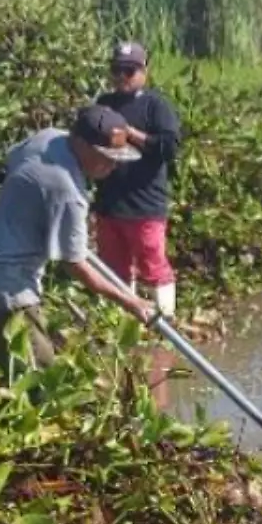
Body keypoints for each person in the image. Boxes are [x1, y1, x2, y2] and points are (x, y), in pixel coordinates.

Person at [0, 105, 156, 381]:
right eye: (106, 157)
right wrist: (132, 302)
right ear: (81, 143)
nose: (112, 165)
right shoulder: (66, 191)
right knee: (39, 377)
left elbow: (13, 159)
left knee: (16, 365)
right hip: (8, 282)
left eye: (117, 158)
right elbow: (75, 265)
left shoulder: (49, 138)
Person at [93, 41, 184, 318]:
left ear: (144, 71)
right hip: (109, 202)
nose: (122, 76)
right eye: (117, 70)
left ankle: (165, 318)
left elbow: (169, 147)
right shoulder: (104, 104)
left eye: (129, 71)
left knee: (152, 262)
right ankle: (121, 321)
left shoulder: (156, 106)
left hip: (145, 203)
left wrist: (131, 133)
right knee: (113, 265)